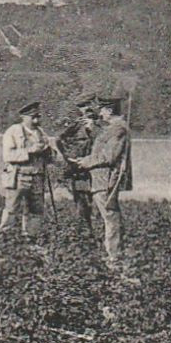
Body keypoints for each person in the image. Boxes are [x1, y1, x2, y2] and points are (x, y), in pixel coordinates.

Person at [73, 96, 132, 263]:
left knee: (110, 217)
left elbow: (109, 156)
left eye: (102, 109)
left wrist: (85, 162)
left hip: (105, 180)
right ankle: (113, 252)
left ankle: (114, 255)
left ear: (109, 111)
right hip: (101, 179)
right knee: (110, 216)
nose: (99, 113)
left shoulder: (117, 129)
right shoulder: (113, 128)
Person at [0, 100, 59, 238]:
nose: (36, 120)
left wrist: (49, 152)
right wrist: (30, 151)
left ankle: (31, 236)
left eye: (38, 117)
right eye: (33, 117)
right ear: (23, 117)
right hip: (19, 176)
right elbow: (8, 155)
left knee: (36, 209)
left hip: (37, 176)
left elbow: (52, 156)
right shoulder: (13, 132)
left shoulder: (41, 133)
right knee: (12, 207)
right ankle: (4, 235)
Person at [55, 92, 101, 241]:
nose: (86, 110)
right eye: (82, 107)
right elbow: (59, 139)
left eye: (88, 106)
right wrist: (69, 158)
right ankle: (85, 232)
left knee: (101, 202)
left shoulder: (103, 126)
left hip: (99, 168)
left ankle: (100, 232)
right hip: (81, 170)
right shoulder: (76, 125)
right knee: (82, 202)